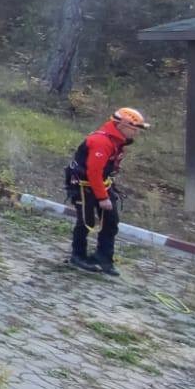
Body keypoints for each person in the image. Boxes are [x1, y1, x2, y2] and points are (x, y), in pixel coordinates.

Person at [65, 107, 149, 275]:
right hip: (83, 185)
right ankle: (78, 256)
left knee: (111, 222)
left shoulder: (117, 142)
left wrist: (106, 192)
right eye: (134, 129)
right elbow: (93, 172)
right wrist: (103, 198)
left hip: (101, 183)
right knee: (86, 222)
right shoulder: (101, 142)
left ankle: (103, 258)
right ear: (122, 125)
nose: (136, 133)